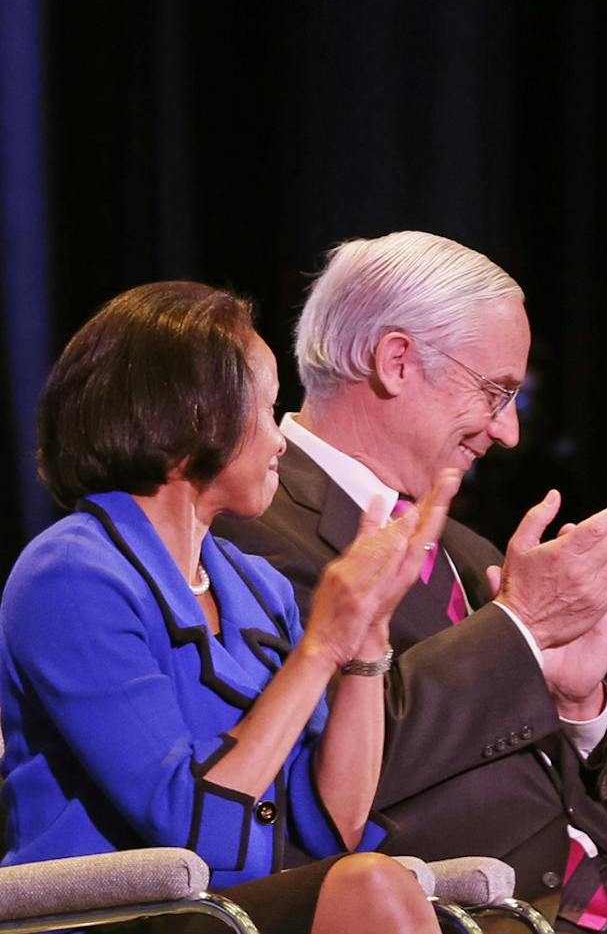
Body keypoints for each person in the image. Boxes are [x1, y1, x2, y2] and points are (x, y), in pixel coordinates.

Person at [214, 232, 607, 934]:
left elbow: (599, 794)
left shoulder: (463, 544)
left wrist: (580, 702)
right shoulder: (252, 528)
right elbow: (324, 777)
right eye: (495, 391)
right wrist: (518, 627)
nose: (508, 431)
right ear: (397, 360)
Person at [1, 282, 443, 934]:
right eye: (266, 411)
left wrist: (367, 639)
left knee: (372, 881)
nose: (280, 440)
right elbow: (188, 824)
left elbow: (331, 826)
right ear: (199, 416)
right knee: (369, 890)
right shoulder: (70, 574)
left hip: (226, 912)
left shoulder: (258, 587)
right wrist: (320, 645)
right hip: (107, 914)